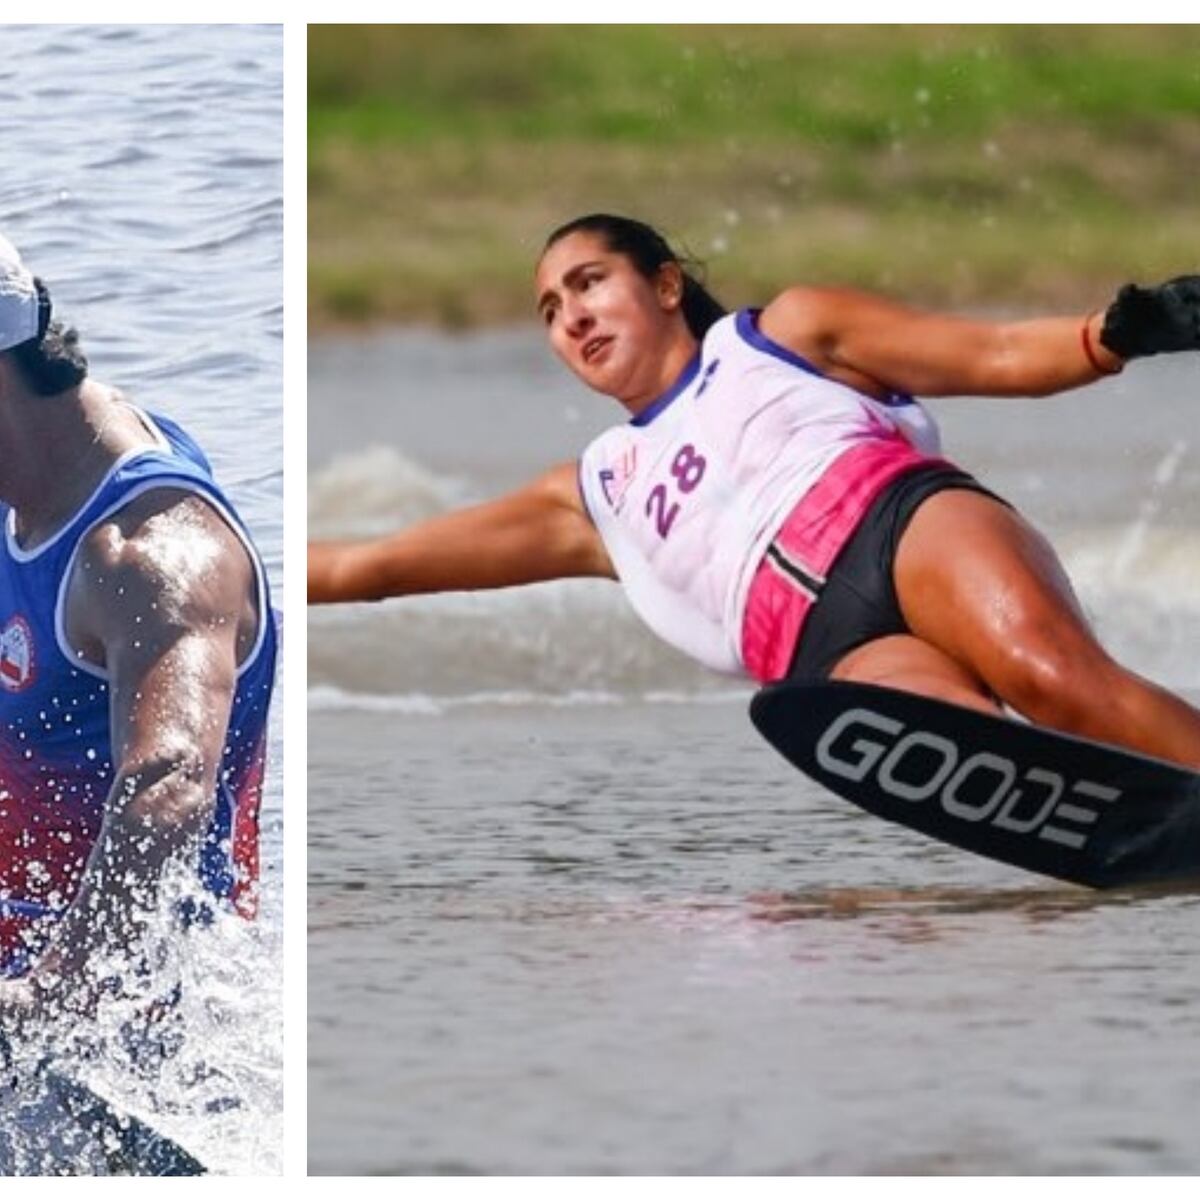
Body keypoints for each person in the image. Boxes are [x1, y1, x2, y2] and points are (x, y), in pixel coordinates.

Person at [308, 213, 1200, 772]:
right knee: (981, 752)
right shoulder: (593, 497)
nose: (571, 317)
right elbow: (369, 565)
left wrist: (1123, 328)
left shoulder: (786, 333)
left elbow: (999, 355)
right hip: (829, 652)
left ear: (663, 284)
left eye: (588, 284)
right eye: (549, 311)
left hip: (902, 526)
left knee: (1053, 682)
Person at [0, 234, 277, 1028]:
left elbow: (170, 784)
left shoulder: (151, 553)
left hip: (130, 1031)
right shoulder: (34, 464)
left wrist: (58, 987)